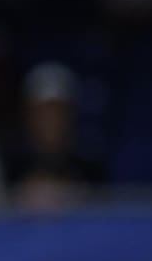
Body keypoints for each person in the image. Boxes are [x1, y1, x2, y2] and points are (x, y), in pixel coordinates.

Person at [6, 63, 104, 210]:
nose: (51, 121)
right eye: (43, 112)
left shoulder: (92, 170)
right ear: (28, 115)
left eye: (58, 112)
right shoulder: (8, 168)